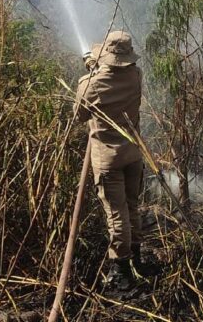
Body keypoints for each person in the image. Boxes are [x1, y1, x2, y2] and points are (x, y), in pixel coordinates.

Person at [73, 30, 146, 292]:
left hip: (108, 160)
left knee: (117, 214)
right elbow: (114, 78)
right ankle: (136, 258)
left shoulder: (90, 84)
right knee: (132, 206)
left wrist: (92, 73)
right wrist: (97, 69)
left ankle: (121, 270)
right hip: (134, 154)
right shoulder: (136, 75)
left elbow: (80, 114)